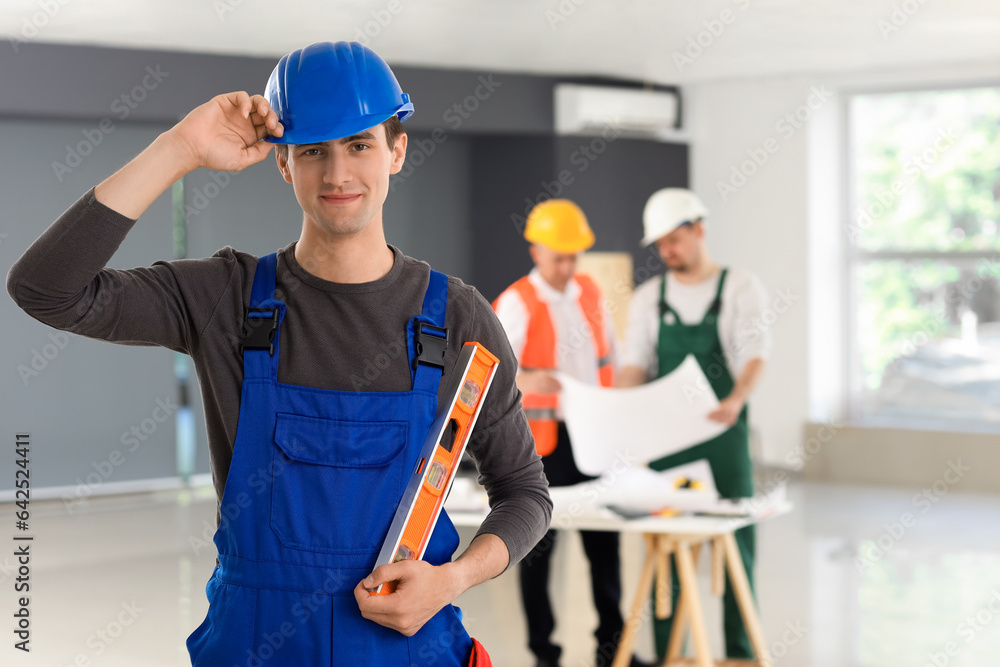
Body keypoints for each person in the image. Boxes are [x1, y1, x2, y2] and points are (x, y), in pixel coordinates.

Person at [6, 41, 552, 666]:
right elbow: (45, 289)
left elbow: (525, 494)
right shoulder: (226, 298)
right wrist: (179, 148)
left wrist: (451, 580)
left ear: (396, 150)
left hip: (407, 650)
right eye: (313, 150)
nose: (338, 174)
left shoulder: (457, 317)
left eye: (360, 144)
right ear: (283, 164)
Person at [493, 200, 650, 667]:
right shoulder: (517, 302)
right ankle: (545, 653)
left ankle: (613, 650)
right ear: (536, 250)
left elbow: (612, 359)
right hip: (544, 445)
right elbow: (493, 372)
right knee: (538, 548)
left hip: (594, 436)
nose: (567, 266)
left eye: (573, 256)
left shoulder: (589, 292)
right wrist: (527, 381)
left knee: (605, 545)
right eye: (559, 256)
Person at [616, 188, 770, 661]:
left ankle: (741, 654)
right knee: (666, 553)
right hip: (669, 442)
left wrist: (736, 400)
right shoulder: (649, 298)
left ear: (699, 230)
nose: (666, 251)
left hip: (725, 437)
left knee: (736, 547)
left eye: (674, 240)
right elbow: (635, 365)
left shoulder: (740, 288)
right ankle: (670, 656)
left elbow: (754, 357)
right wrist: (618, 408)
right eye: (659, 244)